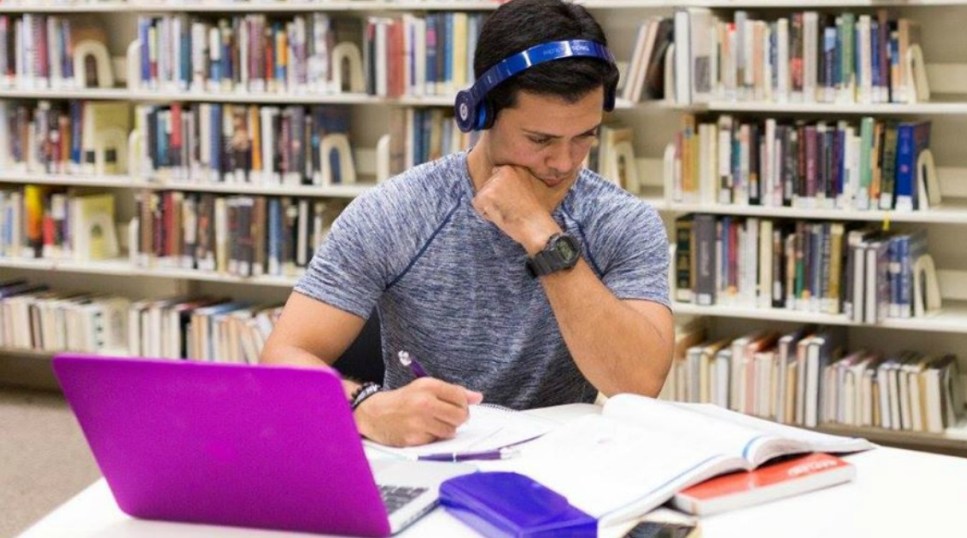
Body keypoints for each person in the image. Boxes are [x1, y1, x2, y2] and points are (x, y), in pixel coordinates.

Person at [260, 0, 673, 447]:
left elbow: (638, 383)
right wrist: (365, 406)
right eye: (540, 140)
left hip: (559, 464)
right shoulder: (398, 211)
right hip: (423, 457)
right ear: (478, 115)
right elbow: (281, 356)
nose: (563, 163)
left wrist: (542, 234)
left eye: (585, 136)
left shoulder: (623, 222)